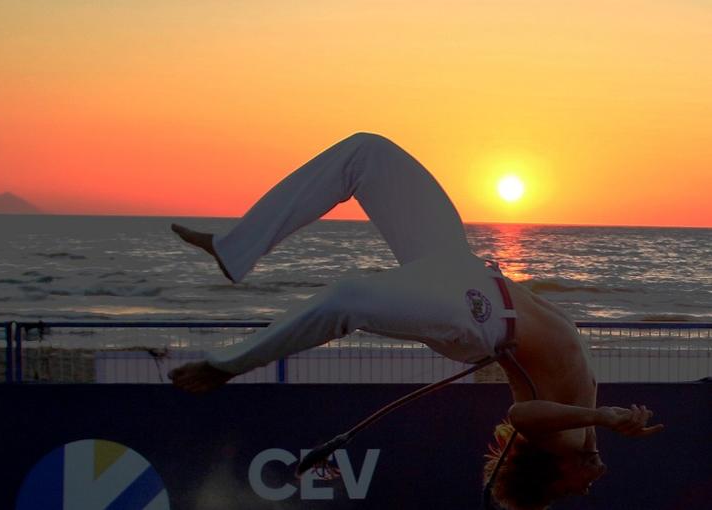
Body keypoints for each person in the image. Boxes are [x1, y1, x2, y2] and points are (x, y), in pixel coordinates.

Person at [167, 132, 664, 509]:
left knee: (349, 297)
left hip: (478, 315)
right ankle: (235, 247)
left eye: (575, 491)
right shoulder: (583, 432)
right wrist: (613, 423)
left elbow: (522, 416)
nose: (589, 486)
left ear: (552, 476)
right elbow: (579, 421)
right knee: (367, 153)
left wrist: (601, 419)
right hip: (467, 270)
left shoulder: (560, 436)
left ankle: (225, 366)